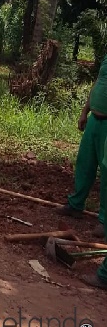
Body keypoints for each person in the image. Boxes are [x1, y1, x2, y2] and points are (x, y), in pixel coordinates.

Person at [56, 54, 107, 239]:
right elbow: (98, 83)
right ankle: (75, 205)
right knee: (85, 163)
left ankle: (104, 221)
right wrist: (85, 111)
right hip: (94, 119)